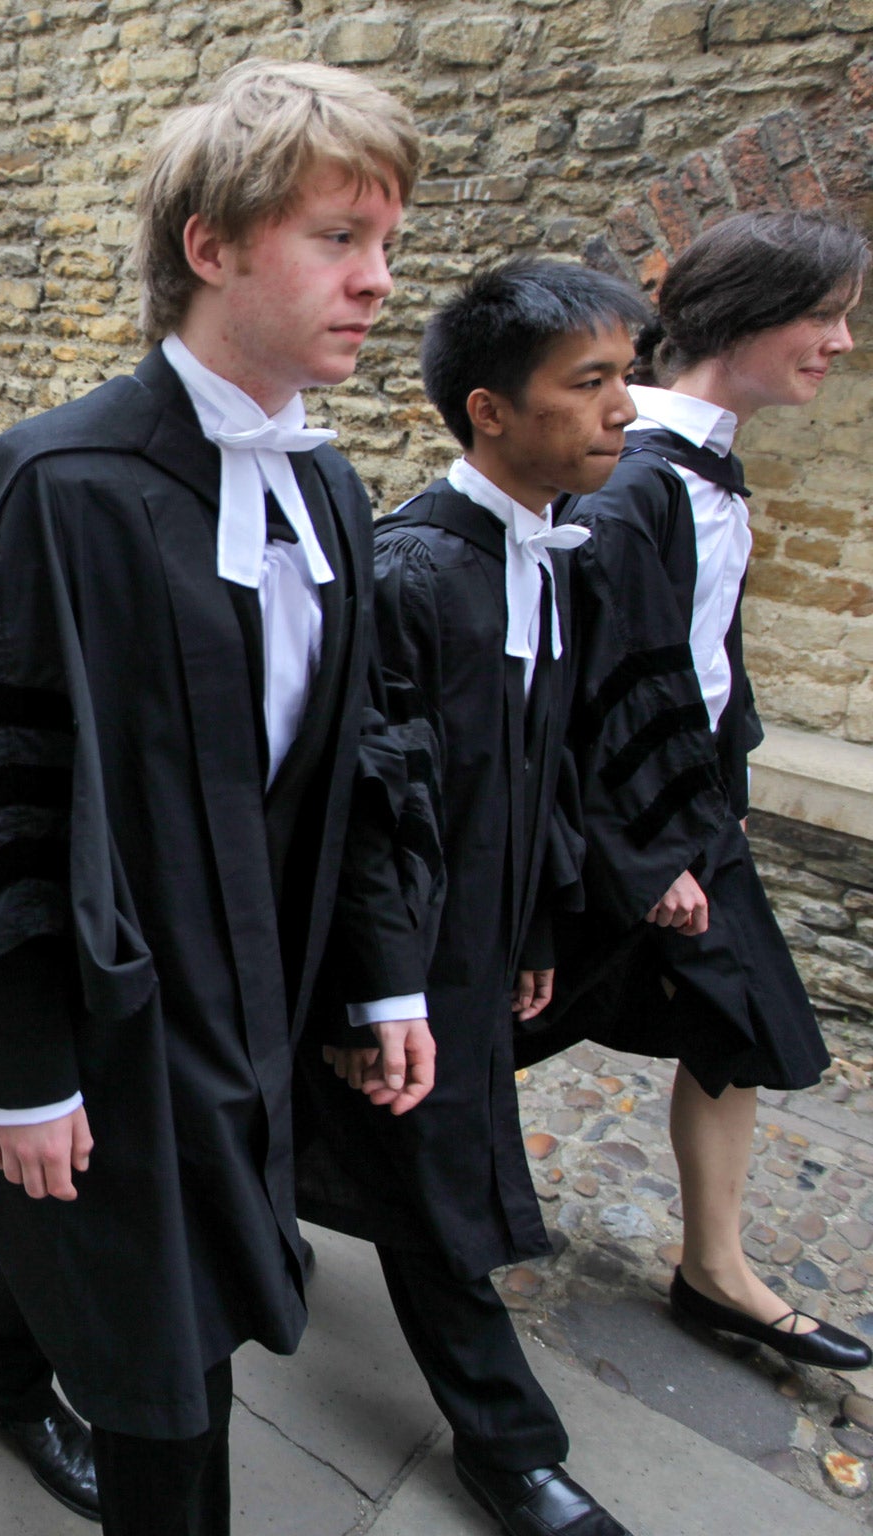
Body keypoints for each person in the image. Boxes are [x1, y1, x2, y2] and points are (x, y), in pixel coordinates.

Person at [0, 62, 437, 1534]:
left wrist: (382, 982)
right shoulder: (52, 487)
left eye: (388, 243)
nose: (380, 282)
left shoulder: (328, 492)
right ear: (210, 245)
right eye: (339, 238)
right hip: (105, 1020)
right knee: (171, 1391)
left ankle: (9, 1370)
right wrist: (19, 1073)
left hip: (255, 1007)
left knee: (137, 1278)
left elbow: (360, 758)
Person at [297, 260, 649, 1536]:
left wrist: (541, 920)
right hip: (398, 949)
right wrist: (366, 986)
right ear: (489, 410)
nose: (623, 408)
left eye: (624, 376)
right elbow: (365, 805)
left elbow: (536, 762)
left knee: (394, 1147)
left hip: (480, 934)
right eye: (591, 381)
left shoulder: (551, 552)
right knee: (435, 1181)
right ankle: (507, 1446)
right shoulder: (407, 575)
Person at [524, 211, 872, 1375]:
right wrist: (648, 852)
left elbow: (701, 672)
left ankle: (714, 1272)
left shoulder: (697, 473)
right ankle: (273, 1168)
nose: (839, 341)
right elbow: (592, 697)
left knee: (739, 1020)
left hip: (685, 819)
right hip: (619, 832)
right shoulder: (633, 491)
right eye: (821, 316)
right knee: (472, 1023)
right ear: (744, 320)